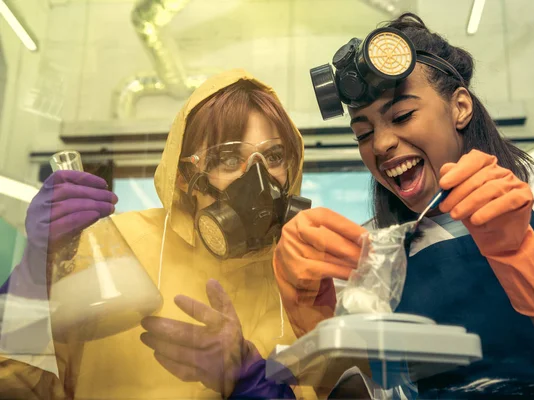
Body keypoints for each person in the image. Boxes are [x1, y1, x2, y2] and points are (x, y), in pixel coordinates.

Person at [273, 13, 534, 399]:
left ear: (460, 107)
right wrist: (318, 330)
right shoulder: (369, 255)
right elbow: (371, 391)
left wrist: (524, 257)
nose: (380, 145)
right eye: (364, 133)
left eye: (402, 116)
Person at [0, 69, 311, 399]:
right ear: (183, 175)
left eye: (274, 157)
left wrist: (248, 381)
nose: (259, 179)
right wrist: (34, 275)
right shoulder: (116, 248)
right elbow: (13, 384)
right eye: (228, 158)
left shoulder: (302, 284)